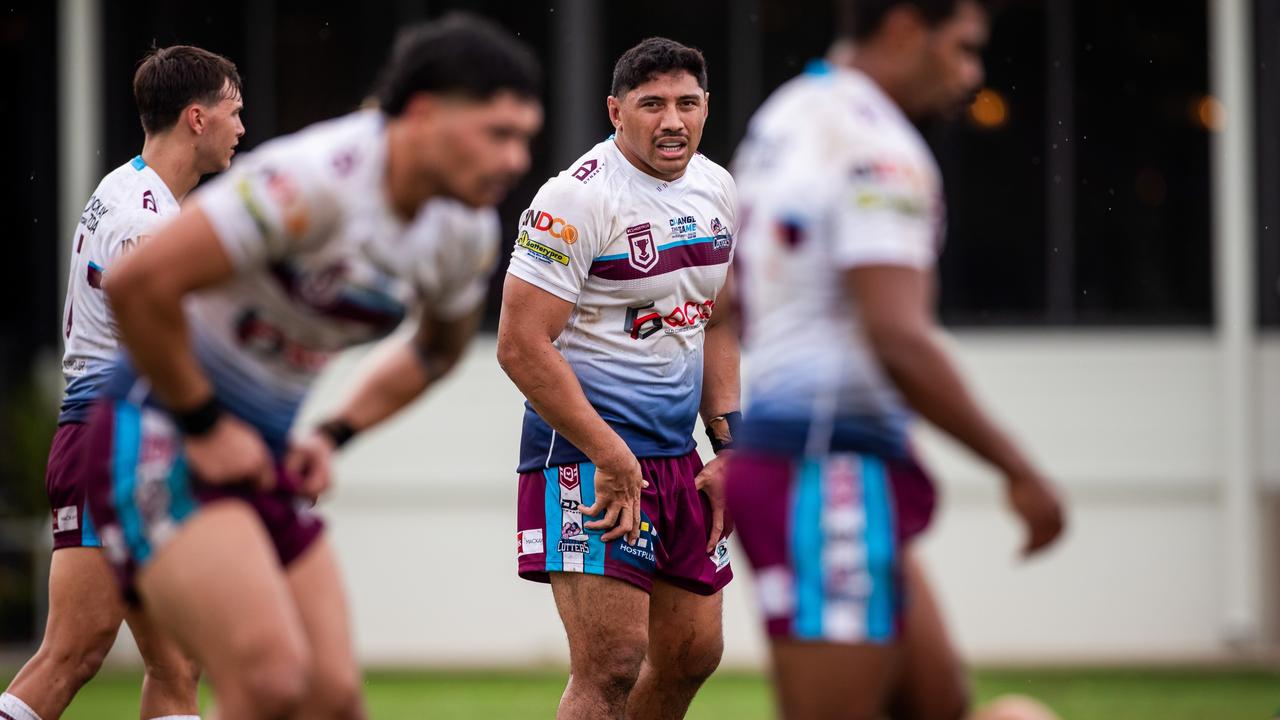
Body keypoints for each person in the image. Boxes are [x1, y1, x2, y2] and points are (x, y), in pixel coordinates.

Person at [79, 14, 542, 719]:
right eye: (497, 134)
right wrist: (205, 423)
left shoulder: (464, 231)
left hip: (260, 452)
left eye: (525, 138)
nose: (515, 160)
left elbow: (436, 352)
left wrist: (332, 434)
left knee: (331, 698)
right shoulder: (317, 180)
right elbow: (138, 285)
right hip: (159, 426)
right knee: (265, 681)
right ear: (422, 115)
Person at [725, 1, 1067, 718]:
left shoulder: (786, 115)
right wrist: (1020, 469)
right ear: (908, 26)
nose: (972, 75)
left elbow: (726, 296)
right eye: (963, 48)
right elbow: (898, 338)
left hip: (806, 454)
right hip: (827, 464)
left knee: (945, 706)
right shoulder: (880, 148)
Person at [497, 36, 739, 720]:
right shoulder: (577, 199)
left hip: (675, 460)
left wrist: (731, 446)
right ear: (615, 111)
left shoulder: (718, 188)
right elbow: (519, 344)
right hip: (586, 458)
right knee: (611, 665)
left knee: (694, 654)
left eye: (687, 103)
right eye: (652, 104)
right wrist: (607, 451)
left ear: (706, 108)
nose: (672, 120)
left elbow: (717, 321)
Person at [0, 45, 244, 720]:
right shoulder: (146, 221)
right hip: (111, 440)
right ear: (196, 119)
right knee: (73, 654)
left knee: (176, 662)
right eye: (234, 111)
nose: (241, 128)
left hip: (119, 436)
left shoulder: (128, 189)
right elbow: (160, 347)